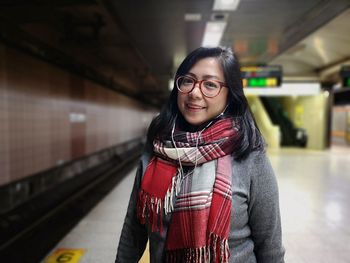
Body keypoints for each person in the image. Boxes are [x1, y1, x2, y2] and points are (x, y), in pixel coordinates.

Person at [115, 46, 285, 263]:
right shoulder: (157, 146)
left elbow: (269, 246)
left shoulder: (250, 155)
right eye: (188, 81)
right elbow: (133, 230)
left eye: (210, 85)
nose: (194, 93)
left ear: (230, 95)